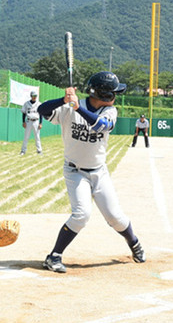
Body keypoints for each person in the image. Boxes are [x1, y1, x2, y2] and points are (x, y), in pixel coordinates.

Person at [37, 71, 146, 273]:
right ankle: (54, 257)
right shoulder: (68, 107)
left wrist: (77, 107)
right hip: (75, 172)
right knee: (81, 215)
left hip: (99, 172)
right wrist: (64, 100)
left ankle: (135, 244)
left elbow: (100, 126)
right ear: (103, 94)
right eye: (113, 92)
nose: (116, 96)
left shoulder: (110, 111)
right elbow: (42, 110)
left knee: (115, 217)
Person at [20, 90, 43, 155]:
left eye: (35, 96)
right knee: (26, 136)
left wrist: (41, 123)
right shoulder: (26, 103)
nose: (34, 97)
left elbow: (41, 114)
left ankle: (39, 150)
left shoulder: (39, 104)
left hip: (36, 121)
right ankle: (23, 150)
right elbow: (24, 113)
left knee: (37, 137)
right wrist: (23, 122)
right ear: (31, 96)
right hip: (29, 121)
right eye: (33, 96)